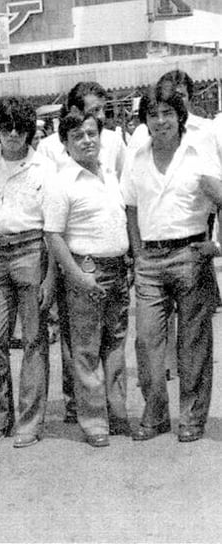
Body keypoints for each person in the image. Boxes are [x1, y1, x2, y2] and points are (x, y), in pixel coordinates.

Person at [121, 84, 222, 443]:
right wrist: (136, 254)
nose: (160, 121)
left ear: (180, 116)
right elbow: (131, 208)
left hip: (190, 257)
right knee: (147, 343)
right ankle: (156, 415)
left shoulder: (197, 156)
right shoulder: (137, 157)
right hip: (149, 260)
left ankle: (193, 419)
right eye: (152, 114)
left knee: (192, 344)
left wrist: (216, 245)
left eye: (167, 113)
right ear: (145, 120)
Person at [0, 96, 54, 448]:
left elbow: (53, 226)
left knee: (33, 339)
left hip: (33, 249)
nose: (13, 135)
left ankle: (30, 422)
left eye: (19, 128)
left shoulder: (43, 168)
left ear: (29, 131)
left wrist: (49, 275)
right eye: (5, 128)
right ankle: (0, 417)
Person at [43, 111, 131, 448]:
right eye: (77, 136)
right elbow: (53, 235)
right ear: (65, 143)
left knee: (116, 345)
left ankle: (117, 413)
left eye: (92, 133)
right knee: (86, 350)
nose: (86, 141)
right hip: (87, 270)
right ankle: (94, 421)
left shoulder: (109, 174)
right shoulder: (61, 182)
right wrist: (78, 276)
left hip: (118, 269)